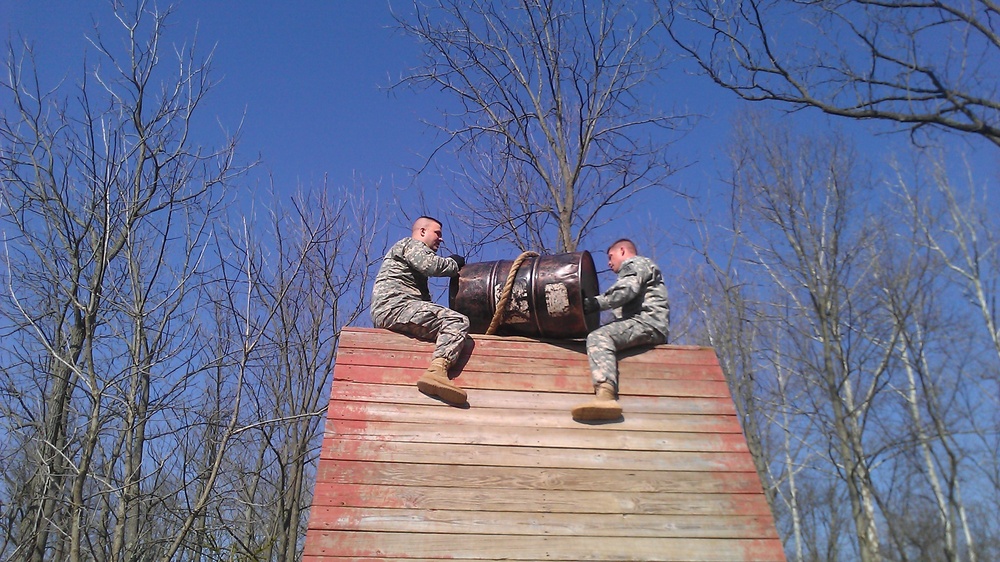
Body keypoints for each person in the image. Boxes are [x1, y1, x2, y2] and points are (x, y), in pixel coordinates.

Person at [370, 216, 470, 405]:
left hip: (394, 308)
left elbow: (425, 302)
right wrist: (454, 263)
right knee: (456, 321)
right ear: (422, 232)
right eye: (437, 233)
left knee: (444, 320)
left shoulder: (408, 260)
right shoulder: (411, 244)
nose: (441, 239)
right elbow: (430, 265)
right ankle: (437, 372)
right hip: (396, 306)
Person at [573, 239, 670, 421]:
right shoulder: (644, 266)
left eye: (611, 257)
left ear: (623, 251)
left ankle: (605, 395)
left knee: (599, 336)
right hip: (649, 323)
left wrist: (595, 303)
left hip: (647, 322)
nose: (609, 263)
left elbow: (626, 290)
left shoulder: (635, 264)